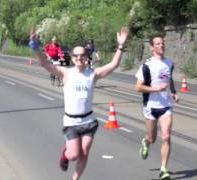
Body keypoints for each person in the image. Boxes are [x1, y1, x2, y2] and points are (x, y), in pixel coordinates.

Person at [29, 27, 129, 180]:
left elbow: (113, 65)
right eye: (77, 55)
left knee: (85, 151)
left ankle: (75, 179)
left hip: (89, 121)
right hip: (71, 122)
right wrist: (35, 47)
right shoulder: (66, 73)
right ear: (73, 58)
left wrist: (121, 46)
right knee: (74, 155)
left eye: (83, 55)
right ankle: (65, 154)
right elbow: (44, 63)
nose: (80, 58)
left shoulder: (93, 74)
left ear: (86, 57)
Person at [135, 36, 178, 180]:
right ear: (152, 47)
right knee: (152, 139)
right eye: (158, 43)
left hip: (166, 106)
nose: (162, 45)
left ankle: (163, 169)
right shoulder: (146, 65)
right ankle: (145, 142)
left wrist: (173, 92)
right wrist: (157, 89)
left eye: (163, 43)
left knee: (166, 136)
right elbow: (138, 87)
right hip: (151, 106)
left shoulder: (169, 63)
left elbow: (168, 78)